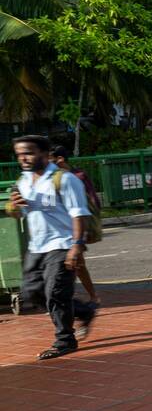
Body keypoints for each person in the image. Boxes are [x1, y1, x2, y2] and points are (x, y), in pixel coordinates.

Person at [5, 135, 97, 360]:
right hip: (37, 246)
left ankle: (65, 340)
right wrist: (14, 207)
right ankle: (84, 311)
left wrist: (76, 246)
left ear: (45, 154)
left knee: (55, 293)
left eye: (29, 152)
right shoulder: (23, 181)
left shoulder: (65, 180)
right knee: (31, 293)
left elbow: (79, 215)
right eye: (19, 154)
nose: (24, 158)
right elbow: (16, 213)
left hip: (63, 243)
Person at [49, 146, 102, 315]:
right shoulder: (48, 178)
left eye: (50, 159)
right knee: (74, 266)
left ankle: (91, 298)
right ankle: (79, 300)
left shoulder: (77, 177)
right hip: (59, 229)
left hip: (77, 227)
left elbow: (93, 201)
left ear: (60, 160)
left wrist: (86, 228)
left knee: (77, 265)